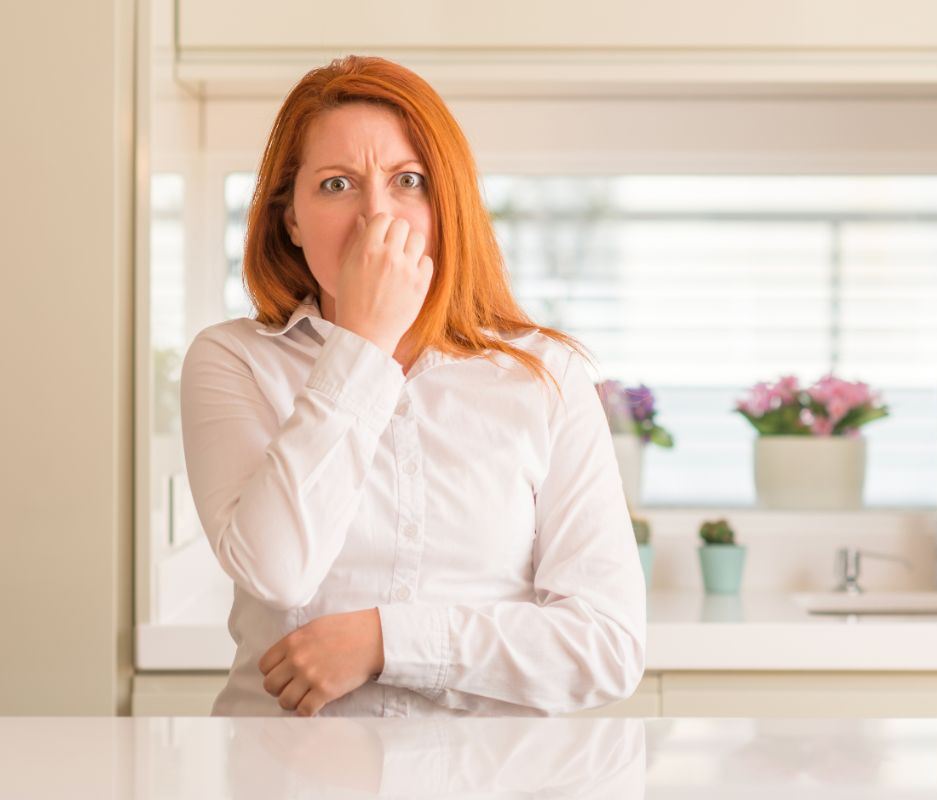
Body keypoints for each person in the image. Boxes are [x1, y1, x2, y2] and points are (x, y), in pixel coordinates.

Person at [179, 55, 646, 717]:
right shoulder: (233, 361)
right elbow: (277, 573)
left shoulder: (546, 377)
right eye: (337, 184)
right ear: (290, 219)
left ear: (446, 203)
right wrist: (363, 344)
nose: (377, 217)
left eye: (408, 181)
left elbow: (605, 645)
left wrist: (385, 640)